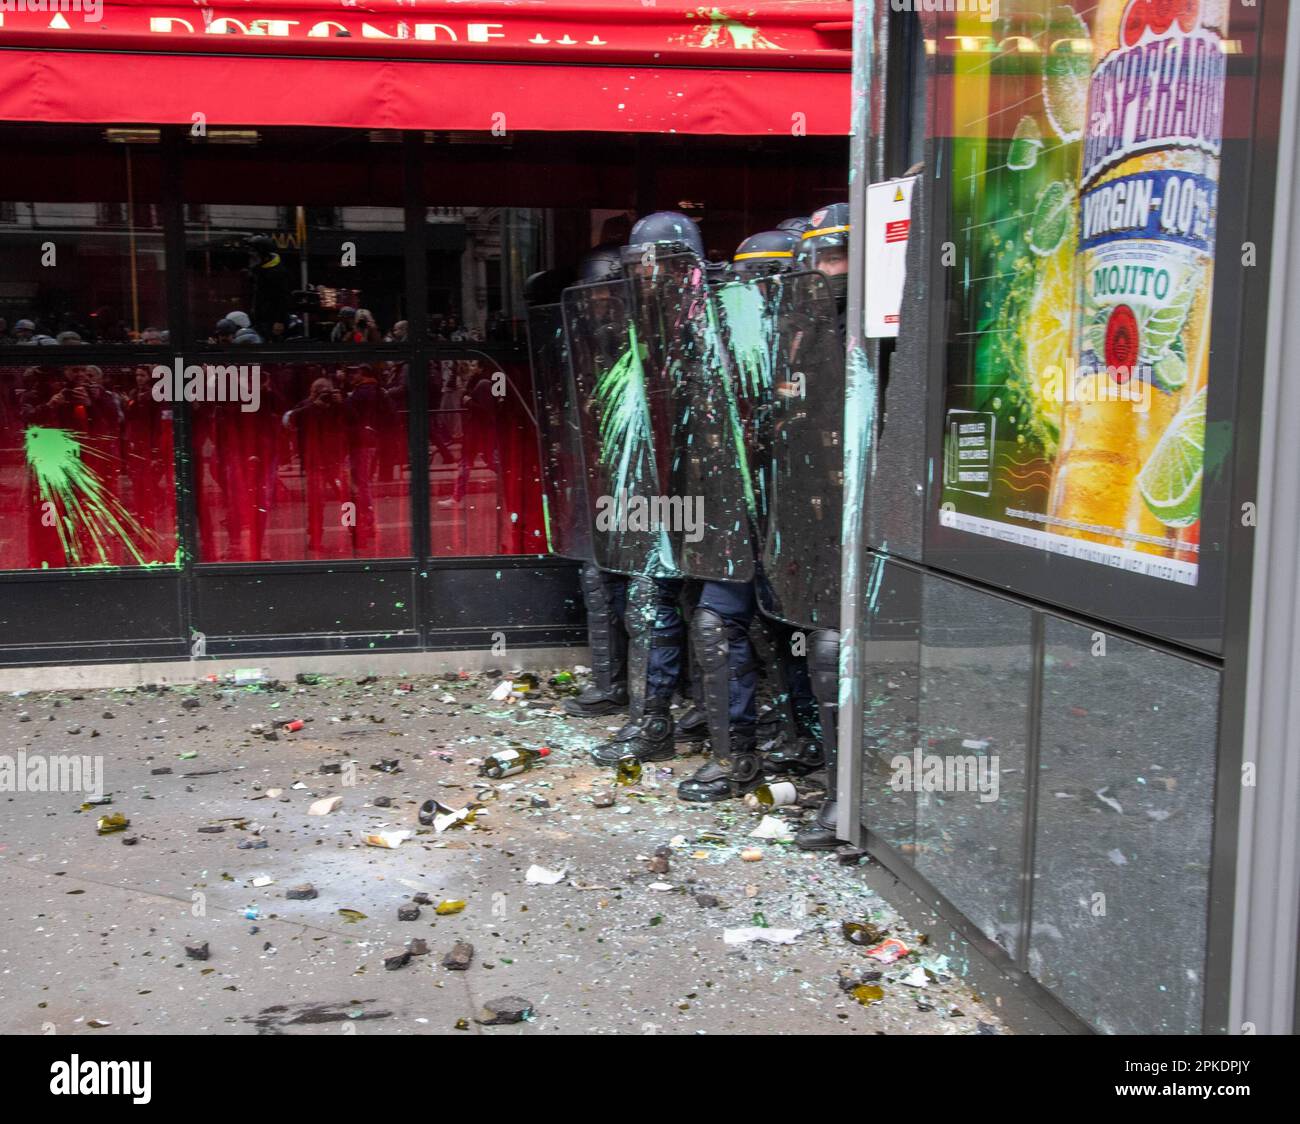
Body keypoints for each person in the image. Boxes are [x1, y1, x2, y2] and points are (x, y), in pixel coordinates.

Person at [246, 235, 292, 340]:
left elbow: (283, 298)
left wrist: (279, 321)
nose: (251, 257)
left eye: (254, 254)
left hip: (272, 322)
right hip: (260, 320)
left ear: (263, 255)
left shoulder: (278, 273)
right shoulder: (259, 270)